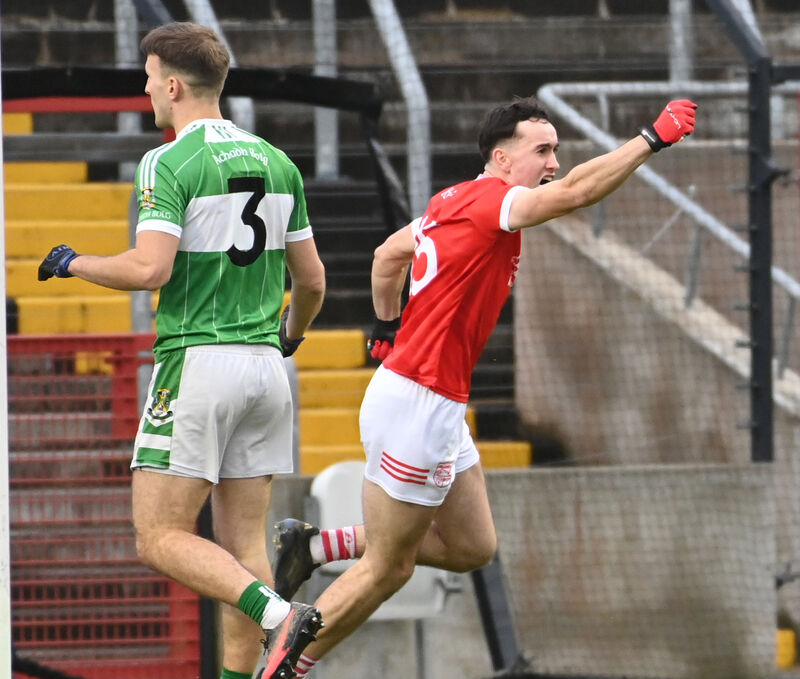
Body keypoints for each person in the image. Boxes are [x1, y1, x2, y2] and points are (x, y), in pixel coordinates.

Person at [270, 96, 698, 676]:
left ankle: (316, 548)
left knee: (474, 547)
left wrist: (387, 326)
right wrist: (651, 138)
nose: (552, 162)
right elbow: (574, 192)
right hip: (419, 405)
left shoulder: (452, 201)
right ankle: (285, 664)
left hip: (428, 400)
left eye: (555, 151)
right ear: (501, 157)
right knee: (388, 570)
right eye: (541, 150)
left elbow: (386, 256)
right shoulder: (496, 201)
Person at [37, 22, 326, 679]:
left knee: (159, 536)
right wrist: (289, 337)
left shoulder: (169, 161)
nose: (145, 92)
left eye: (147, 79)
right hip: (265, 369)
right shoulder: (277, 160)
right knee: (241, 550)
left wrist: (74, 261)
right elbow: (311, 281)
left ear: (172, 83)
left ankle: (281, 614)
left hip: (199, 364)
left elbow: (149, 270)